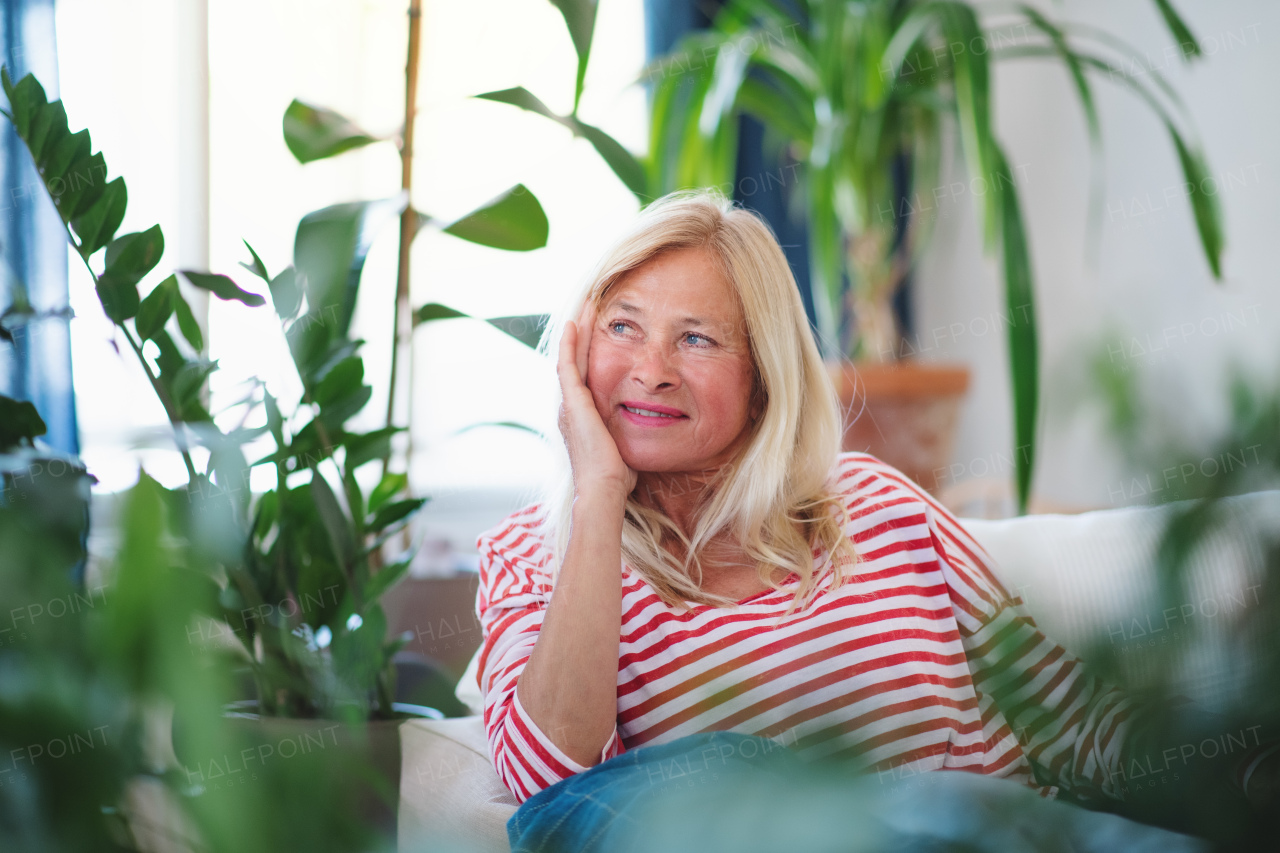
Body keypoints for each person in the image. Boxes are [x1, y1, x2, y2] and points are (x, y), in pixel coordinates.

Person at [471, 190, 1274, 830]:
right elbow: (555, 793)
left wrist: (1235, 765)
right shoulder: (534, 555)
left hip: (982, 831)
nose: (651, 370)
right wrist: (599, 495)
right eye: (622, 327)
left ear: (764, 381)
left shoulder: (876, 505)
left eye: (698, 340)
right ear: (578, 351)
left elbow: (1072, 721)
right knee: (727, 777)